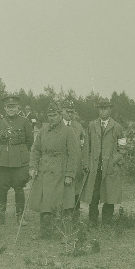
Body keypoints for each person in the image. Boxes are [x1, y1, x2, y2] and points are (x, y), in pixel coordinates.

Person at [28, 101, 81, 239]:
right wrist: (33, 167)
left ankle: (65, 233)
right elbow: (35, 150)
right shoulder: (42, 131)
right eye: (49, 115)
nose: (52, 118)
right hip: (45, 169)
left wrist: (69, 174)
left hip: (61, 170)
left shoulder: (68, 131)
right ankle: (45, 232)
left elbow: (73, 154)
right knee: (44, 201)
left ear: (60, 114)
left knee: (63, 202)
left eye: (54, 115)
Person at [81, 99, 126, 226]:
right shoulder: (91, 125)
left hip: (110, 168)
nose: (103, 111)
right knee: (93, 195)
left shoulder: (117, 127)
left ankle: (107, 221)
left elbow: (122, 147)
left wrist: (115, 161)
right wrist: (86, 163)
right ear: (98, 109)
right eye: (100, 108)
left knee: (109, 194)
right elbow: (86, 147)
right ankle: (92, 221)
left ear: (110, 109)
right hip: (95, 167)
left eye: (105, 108)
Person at [0, 94, 34, 225]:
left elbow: (29, 141)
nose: (11, 109)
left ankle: (20, 216)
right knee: (2, 187)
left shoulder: (25, 122)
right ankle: (0, 216)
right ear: (4, 108)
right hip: (3, 159)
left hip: (19, 160)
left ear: (18, 108)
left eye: (14, 107)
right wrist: (6, 151)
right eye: (8, 107)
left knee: (19, 187)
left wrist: (18, 151)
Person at [61, 100, 88, 221]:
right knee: (61, 189)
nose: (69, 114)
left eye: (72, 112)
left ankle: (75, 216)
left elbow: (83, 145)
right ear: (62, 111)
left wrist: (83, 162)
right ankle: (61, 216)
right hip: (61, 164)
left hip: (76, 163)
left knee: (75, 189)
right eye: (67, 111)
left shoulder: (78, 126)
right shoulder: (57, 125)